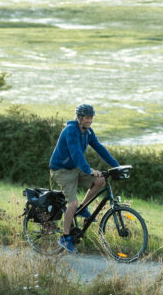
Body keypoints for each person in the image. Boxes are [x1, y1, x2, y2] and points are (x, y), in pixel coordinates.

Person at [49, 103, 120, 253]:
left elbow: (100, 148)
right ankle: (65, 237)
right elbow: (76, 153)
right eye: (87, 118)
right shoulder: (71, 131)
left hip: (76, 167)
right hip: (61, 170)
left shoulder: (88, 132)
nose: (90, 120)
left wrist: (116, 165)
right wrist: (89, 170)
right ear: (80, 118)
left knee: (100, 180)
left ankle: (83, 209)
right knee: (72, 203)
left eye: (91, 117)